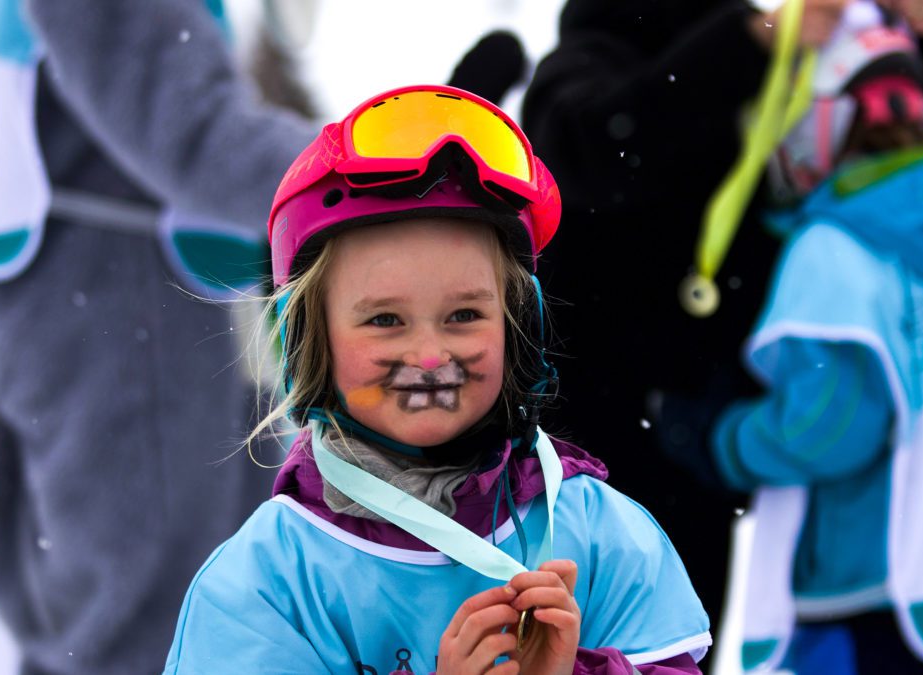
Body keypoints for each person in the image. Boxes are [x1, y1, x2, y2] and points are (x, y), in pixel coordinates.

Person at [163, 84, 711, 674]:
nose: (429, 356)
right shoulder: (269, 582)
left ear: (518, 326)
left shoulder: (600, 534)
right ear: (311, 341)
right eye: (385, 320)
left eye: (464, 316)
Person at [519, 0, 923, 627]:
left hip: (706, 438)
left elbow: (880, 168)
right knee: (576, 639)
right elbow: (599, 148)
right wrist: (748, 40)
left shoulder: (772, 67)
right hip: (591, 445)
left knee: (679, 643)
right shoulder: (590, 56)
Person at [0, 0, 319, 672]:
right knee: (152, 621)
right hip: (121, 335)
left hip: (64, 320)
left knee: (97, 623)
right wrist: (373, 177)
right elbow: (194, 132)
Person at [706, 4, 923, 672]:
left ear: (824, 119)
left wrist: (724, 437)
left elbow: (830, 427)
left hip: (876, 584)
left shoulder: (833, 241)